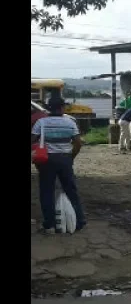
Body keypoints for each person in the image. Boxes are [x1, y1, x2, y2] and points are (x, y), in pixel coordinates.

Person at [31, 96, 86, 235]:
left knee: (46, 192)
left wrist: (37, 155)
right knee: (70, 190)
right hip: (65, 159)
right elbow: (78, 143)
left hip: (46, 161)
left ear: (49, 108)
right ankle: (79, 222)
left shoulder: (41, 123)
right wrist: (71, 157)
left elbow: (32, 140)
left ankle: (49, 225)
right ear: (62, 108)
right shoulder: (70, 123)